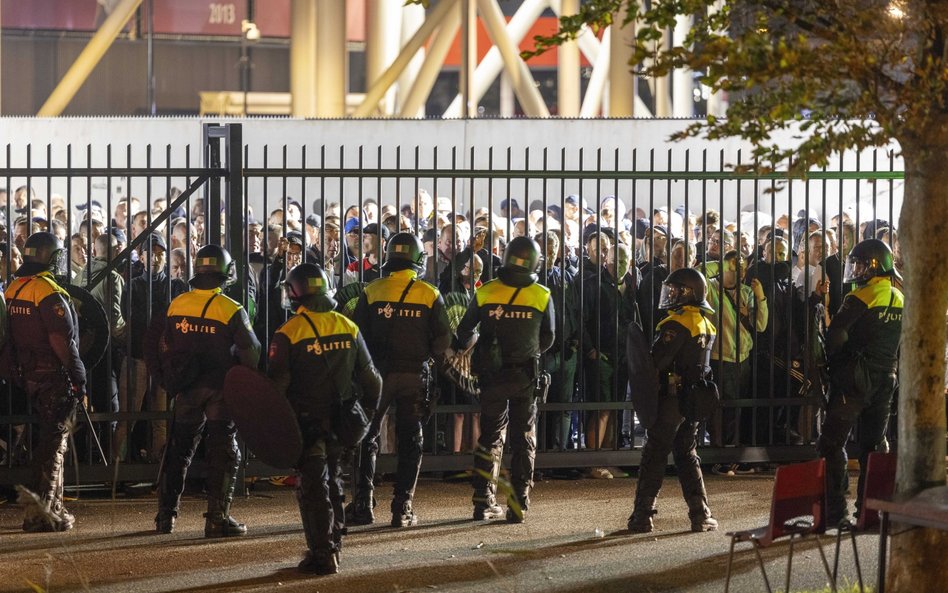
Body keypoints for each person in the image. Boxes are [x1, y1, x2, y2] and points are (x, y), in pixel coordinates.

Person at [268, 263, 382, 575]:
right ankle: (335, 546)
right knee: (334, 479)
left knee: (312, 487)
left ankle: (322, 554)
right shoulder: (348, 326)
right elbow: (373, 381)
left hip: (305, 423)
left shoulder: (288, 333)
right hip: (342, 421)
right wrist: (366, 418)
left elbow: (276, 391)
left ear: (295, 293)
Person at [155, 244, 261, 537]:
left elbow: (164, 343)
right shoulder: (231, 309)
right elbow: (251, 352)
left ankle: (165, 516)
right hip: (219, 389)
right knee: (224, 450)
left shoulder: (177, 304)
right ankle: (217, 518)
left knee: (179, 449)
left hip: (186, 388)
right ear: (226, 273)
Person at [347, 232, 452, 527]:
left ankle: (362, 505)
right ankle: (402, 507)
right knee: (411, 440)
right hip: (413, 374)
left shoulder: (372, 290)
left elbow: (358, 336)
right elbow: (443, 339)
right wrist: (427, 356)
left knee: (367, 437)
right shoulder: (429, 293)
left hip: (378, 375)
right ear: (418, 260)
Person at [456, 236, 555, 522]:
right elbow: (548, 338)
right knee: (523, 437)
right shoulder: (542, 294)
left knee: (490, 437)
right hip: (525, 374)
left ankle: (482, 500)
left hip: (491, 374)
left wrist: (486, 344)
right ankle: (518, 503)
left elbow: (464, 331)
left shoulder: (486, 291)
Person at [627, 267, 718, 533]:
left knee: (654, 455)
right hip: (692, 401)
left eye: (676, 290)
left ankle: (642, 516)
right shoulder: (704, 322)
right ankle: (700, 514)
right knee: (687, 455)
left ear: (689, 293)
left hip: (671, 400)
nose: (671, 294)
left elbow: (657, 361)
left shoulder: (676, 324)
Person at [818, 239, 903, 524]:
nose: (855, 269)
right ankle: (871, 513)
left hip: (854, 382)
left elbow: (836, 336)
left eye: (860, 264)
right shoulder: (900, 297)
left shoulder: (861, 297)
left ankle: (836, 513)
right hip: (886, 379)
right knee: (874, 447)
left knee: (831, 443)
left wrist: (836, 364)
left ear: (874, 265)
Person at [5, 232, 85, 531]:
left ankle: (56, 508)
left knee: (47, 442)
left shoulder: (15, 287)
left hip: (27, 377)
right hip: (54, 377)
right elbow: (62, 340)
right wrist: (78, 376)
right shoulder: (47, 290)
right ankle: (40, 514)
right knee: (53, 445)